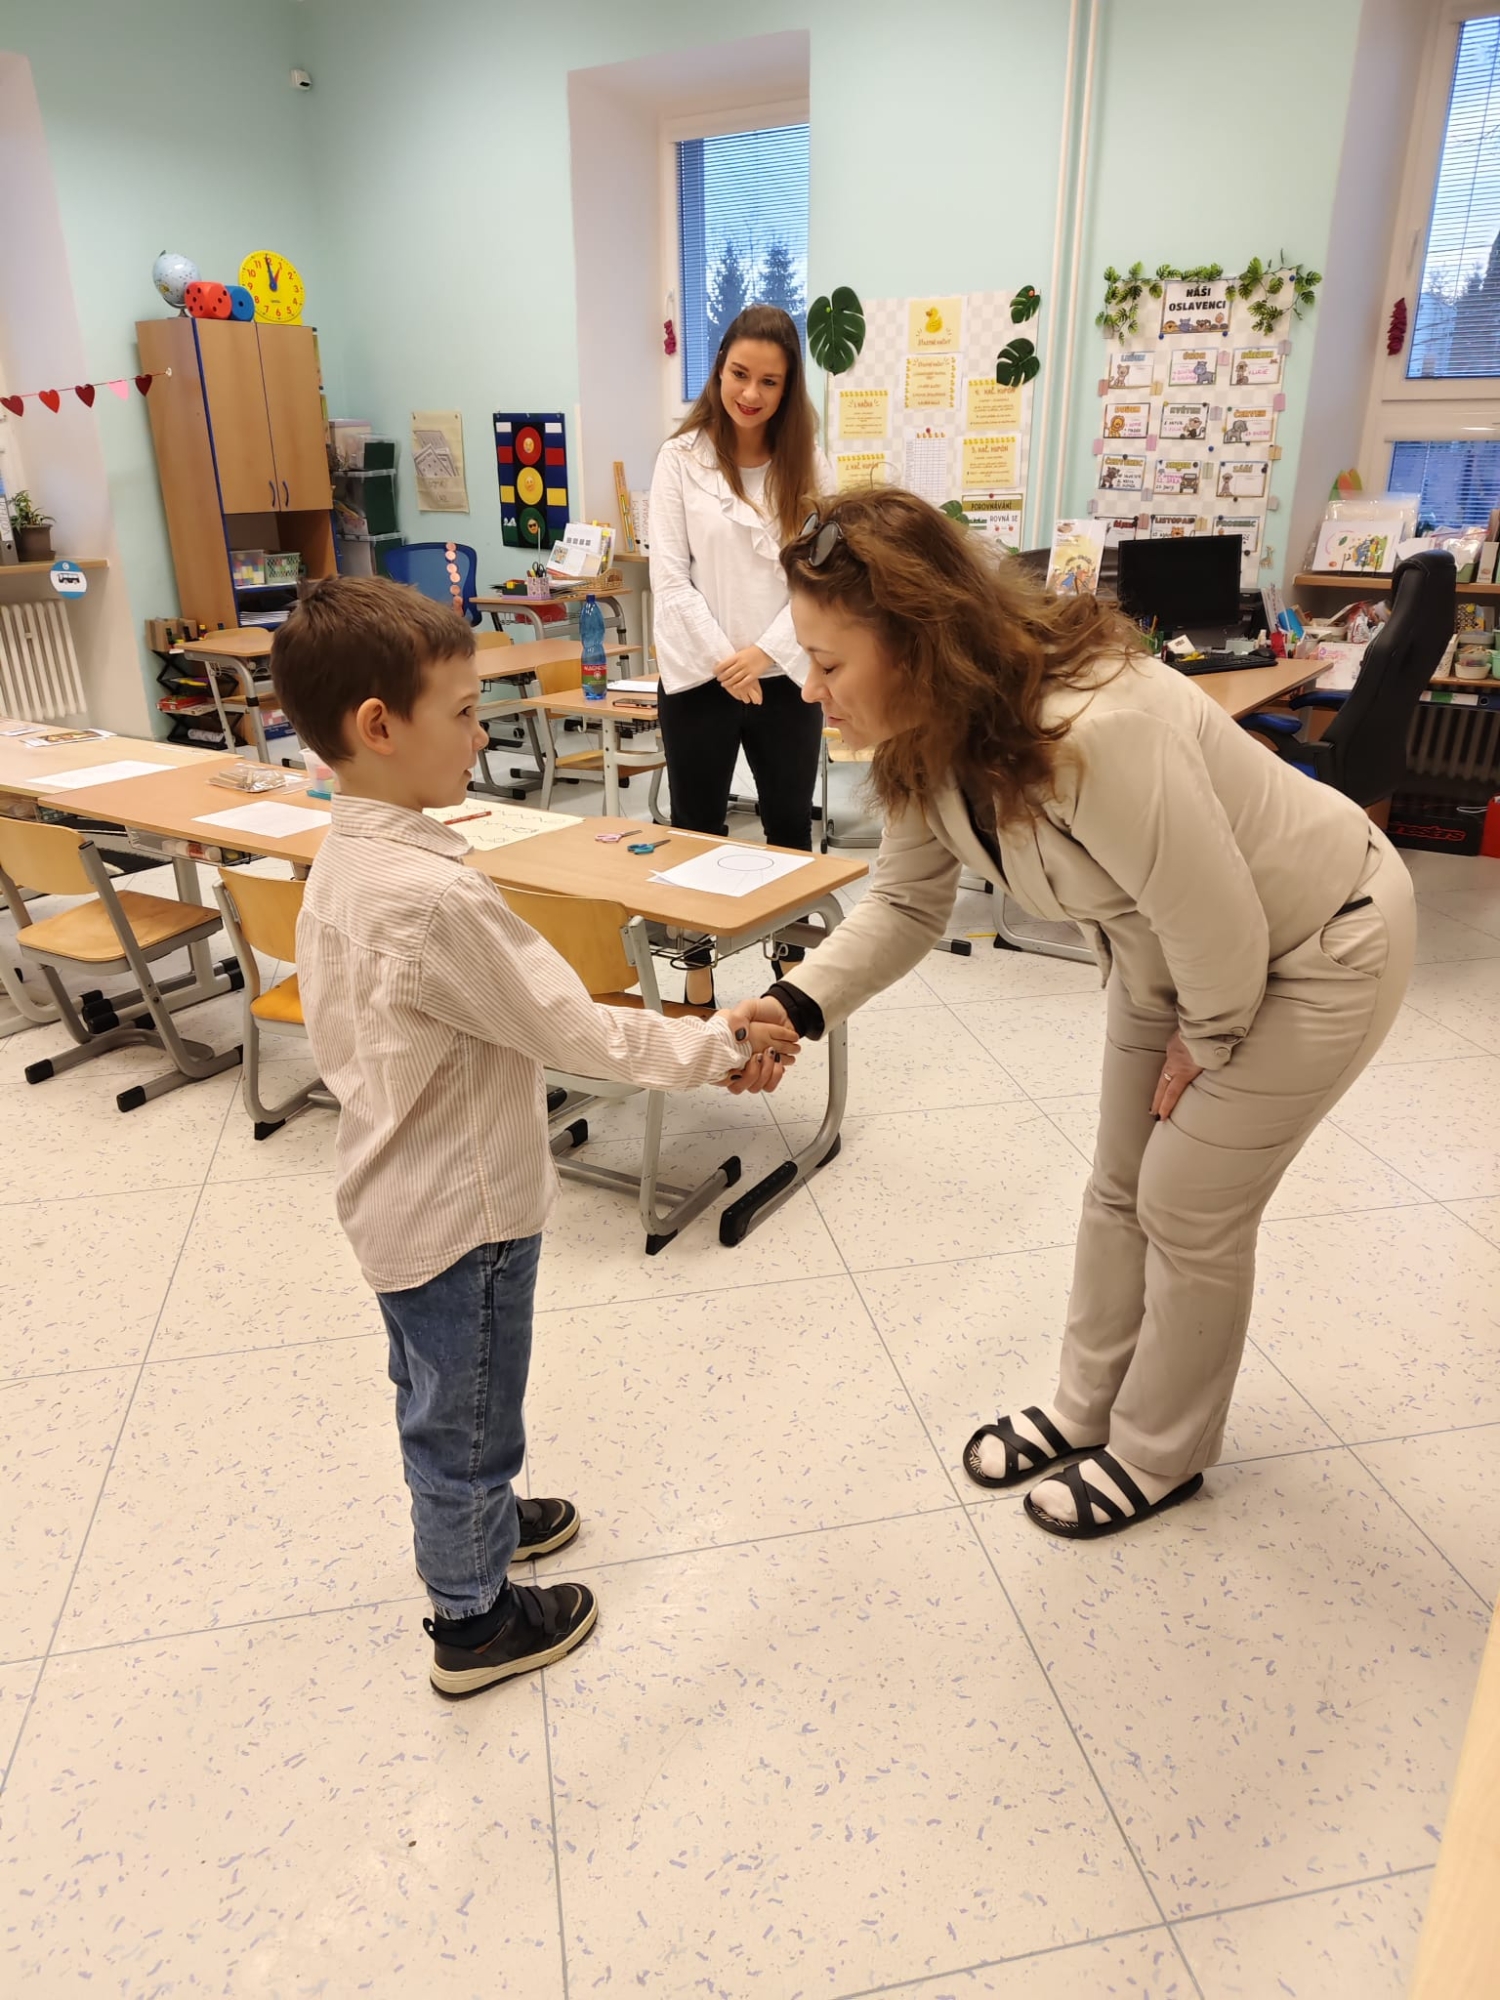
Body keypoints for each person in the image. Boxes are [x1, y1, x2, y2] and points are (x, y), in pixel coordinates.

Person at [759, 489, 1416, 1539]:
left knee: (1185, 1201)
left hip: (1321, 941)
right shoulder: (924, 732)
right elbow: (908, 902)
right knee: (1118, 1182)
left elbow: (1223, 928)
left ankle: (1162, 1451)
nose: (811, 688)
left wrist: (1206, 1044)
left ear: (919, 643)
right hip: (1175, 950)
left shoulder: (1095, 727)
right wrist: (796, 1003)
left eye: (829, 663)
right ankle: (1086, 1409)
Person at [270, 578, 799, 1696]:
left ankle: (489, 1520)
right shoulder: (435, 900)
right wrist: (713, 1046)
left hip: (391, 1190)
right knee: (465, 1422)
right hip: (464, 1212)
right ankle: (473, 1621)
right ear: (379, 726)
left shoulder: (347, 860)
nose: (481, 734)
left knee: (440, 1388)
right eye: (464, 713)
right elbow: (576, 1030)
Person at [649, 303, 829, 1003]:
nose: (751, 393)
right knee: (697, 831)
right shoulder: (679, 459)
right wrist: (729, 660)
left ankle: (793, 980)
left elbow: (819, 577)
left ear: (789, 388)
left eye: (770, 381)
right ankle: (697, 980)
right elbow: (670, 578)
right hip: (699, 678)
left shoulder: (808, 465)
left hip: (785, 678)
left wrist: (763, 655)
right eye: (739, 374)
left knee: (788, 828)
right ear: (719, 369)